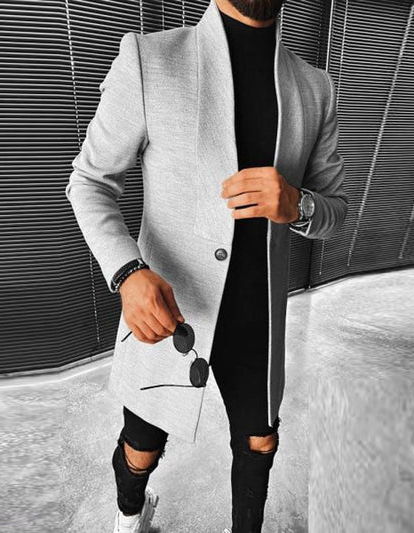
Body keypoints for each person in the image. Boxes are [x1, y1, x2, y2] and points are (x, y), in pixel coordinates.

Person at [66, 0, 348, 531]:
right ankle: (131, 513)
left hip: (259, 319)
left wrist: (300, 205)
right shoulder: (150, 59)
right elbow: (89, 181)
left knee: (260, 443)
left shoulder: (315, 87)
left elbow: (335, 210)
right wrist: (127, 273)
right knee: (141, 447)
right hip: (170, 312)